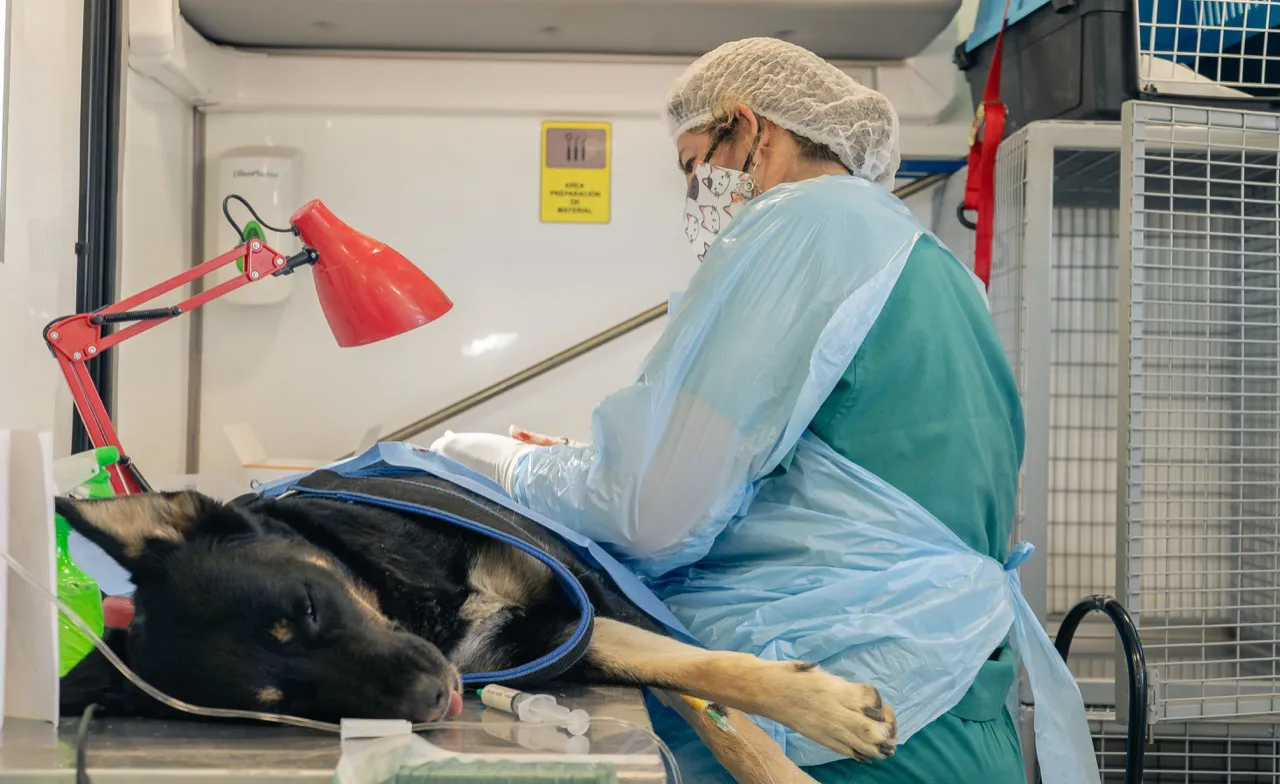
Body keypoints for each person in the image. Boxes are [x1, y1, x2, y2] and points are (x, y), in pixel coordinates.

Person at [431, 37, 1098, 784]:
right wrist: (594, 461)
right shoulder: (924, 260)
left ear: (751, 130)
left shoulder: (803, 225)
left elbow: (654, 512)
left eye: (694, 166)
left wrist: (509, 466)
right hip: (947, 698)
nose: (695, 196)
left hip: (851, 709)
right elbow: (819, 471)